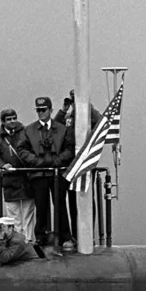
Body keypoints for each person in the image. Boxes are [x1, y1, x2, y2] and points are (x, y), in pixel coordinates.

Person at [17, 97, 75, 250]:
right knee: (41, 206)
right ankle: (41, 236)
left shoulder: (62, 129)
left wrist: (57, 161)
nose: (41, 113)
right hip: (39, 174)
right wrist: (37, 162)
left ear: (50, 110)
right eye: (38, 110)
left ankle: (65, 236)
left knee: (60, 205)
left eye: (43, 110)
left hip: (57, 173)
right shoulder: (29, 130)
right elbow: (22, 149)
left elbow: (70, 148)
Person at [54, 90, 103, 239]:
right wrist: (63, 110)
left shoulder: (90, 114)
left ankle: (86, 235)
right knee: (70, 200)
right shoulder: (69, 116)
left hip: (84, 164)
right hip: (69, 165)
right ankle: (73, 235)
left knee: (85, 200)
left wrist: (87, 107)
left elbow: (102, 124)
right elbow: (55, 126)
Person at [0, 109, 35, 242]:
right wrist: (3, 165)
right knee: (13, 216)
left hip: (26, 178)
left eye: (14, 118)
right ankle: (16, 242)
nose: (12, 121)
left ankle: (29, 241)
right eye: (9, 119)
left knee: (28, 213)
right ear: (3, 122)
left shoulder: (26, 133)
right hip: (10, 181)